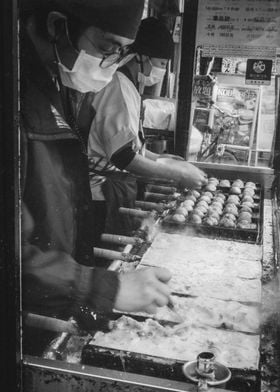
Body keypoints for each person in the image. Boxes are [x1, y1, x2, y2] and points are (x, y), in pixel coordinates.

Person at [20, 0, 172, 337]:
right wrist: (102, 287)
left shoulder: (58, 84)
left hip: (51, 296)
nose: (112, 63)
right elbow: (10, 250)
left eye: (122, 52)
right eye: (107, 47)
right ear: (57, 25)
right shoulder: (14, 88)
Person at [88, 17, 208, 238]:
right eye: (161, 64)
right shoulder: (117, 87)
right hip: (99, 194)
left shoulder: (128, 86)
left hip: (113, 187)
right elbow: (122, 156)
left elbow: (127, 143)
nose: (162, 70)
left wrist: (162, 159)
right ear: (142, 57)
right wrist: (177, 173)